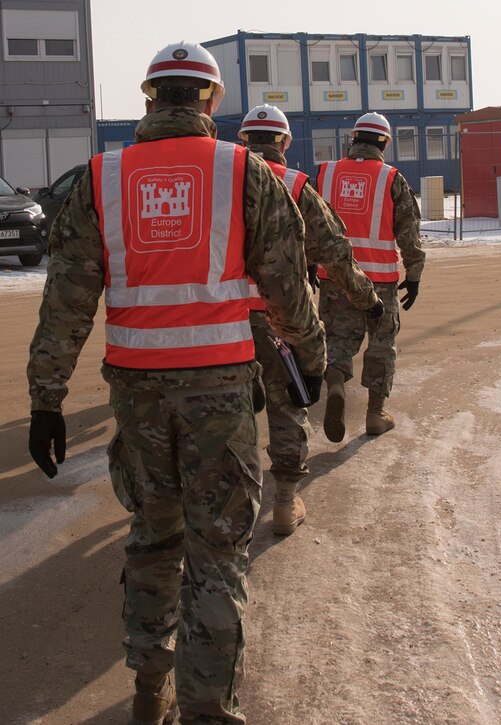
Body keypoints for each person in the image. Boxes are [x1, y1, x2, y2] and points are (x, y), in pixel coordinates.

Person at [26, 42, 325, 724]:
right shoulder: (246, 172)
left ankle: (147, 687)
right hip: (220, 394)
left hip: (136, 397)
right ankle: (207, 708)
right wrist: (308, 353)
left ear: (149, 98)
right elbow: (286, 281)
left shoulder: (101, 179)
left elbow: (66, 303)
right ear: (213, 102)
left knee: (153, 538)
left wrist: (47, 399)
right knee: (217, 553)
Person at [236, 103, 383, 536]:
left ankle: (231, 498)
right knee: (287, 407)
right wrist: (367, 299)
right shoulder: (297, 185)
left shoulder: (219, 180)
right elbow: (336, 254)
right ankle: (283, 501)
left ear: (244, 140)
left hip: (222, 322)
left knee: (231, 410)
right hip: (283, 321)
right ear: (284, 142)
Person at [316, 112, 424, 442]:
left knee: (337, 340)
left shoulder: (325, 174)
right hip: (381, 280)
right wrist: (414, 273)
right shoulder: (391, 178)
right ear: (384, 143)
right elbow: (409, 232)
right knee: (380, 345)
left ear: (353, 139)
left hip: (336, 278)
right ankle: (375, 414)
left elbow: (308, 222)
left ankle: (335, 385)